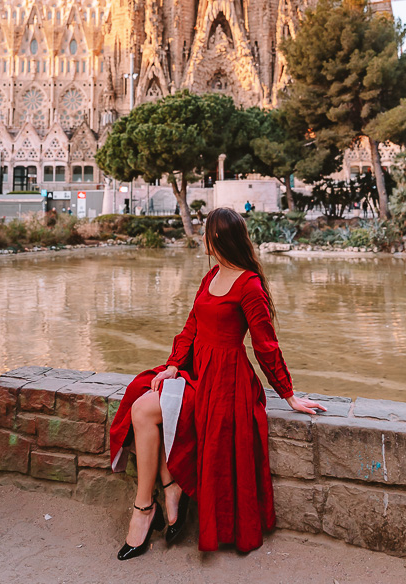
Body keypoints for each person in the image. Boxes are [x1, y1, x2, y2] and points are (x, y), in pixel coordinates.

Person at [109, 206, 326, 560]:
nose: (203, 240)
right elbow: (192, 326)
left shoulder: (250, 285)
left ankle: (154, 502)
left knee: (149, 410)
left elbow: (265, 346)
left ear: (217, 238)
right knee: (142, 405)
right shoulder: (210, 276)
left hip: (226, 382)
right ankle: (157, 497)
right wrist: (173, 365)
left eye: (206, 233)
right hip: (196, 371)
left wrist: (288, 394)